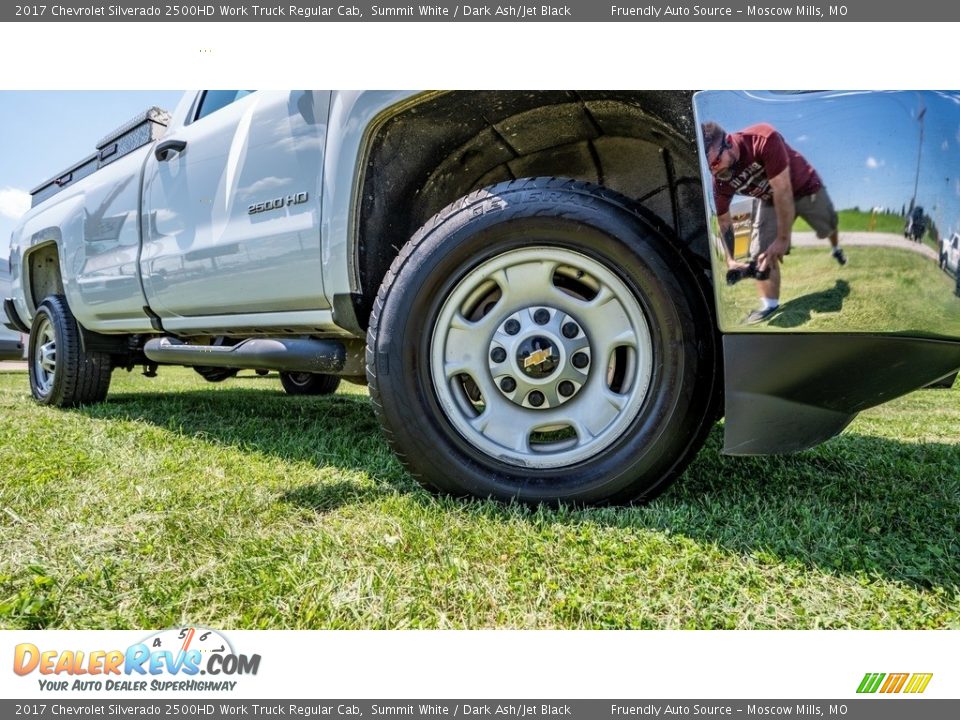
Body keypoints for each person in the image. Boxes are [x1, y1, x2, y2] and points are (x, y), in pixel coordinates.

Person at [702, 121, 847, 325]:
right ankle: (769, 305)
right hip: (769, 197)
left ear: (728, 142)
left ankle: (836, 248)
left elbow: (783, 190)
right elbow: (724, 222)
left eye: (716, 164)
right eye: (710, 169)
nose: (716, 173)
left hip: (804, 186)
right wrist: (730, 260)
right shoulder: (719, 179)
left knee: (828, 226)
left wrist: (782, 238)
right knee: (761, 251)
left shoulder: (762, 139)